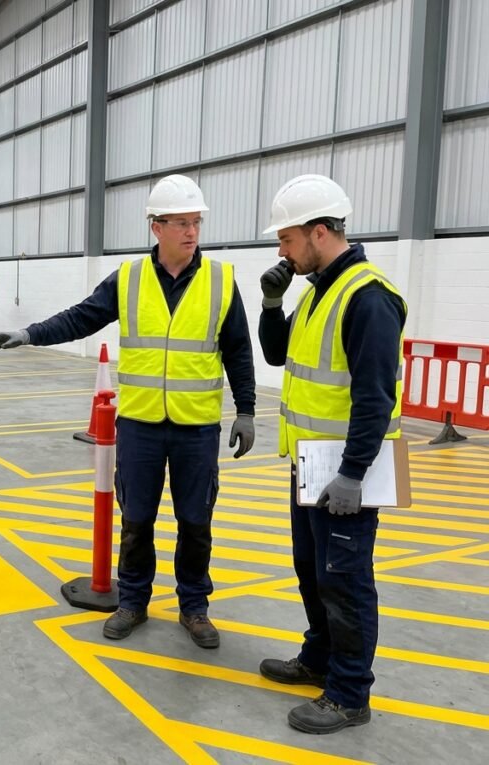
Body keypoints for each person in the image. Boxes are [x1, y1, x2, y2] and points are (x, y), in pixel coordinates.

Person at [0, 174, 256, 649]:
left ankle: (194, 608)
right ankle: (133, 601)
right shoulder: (128, 279)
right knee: (137, 521)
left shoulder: (221, 280)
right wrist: (27, 335)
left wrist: (247, 409)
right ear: (156, 227)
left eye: (196, 222)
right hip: (141, 426)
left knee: (196, 523)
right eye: (181, 223)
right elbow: (80, 317)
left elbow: (238, 350)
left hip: (196, 428)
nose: (191, 232)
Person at [256, 174, 407, 735]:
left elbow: (375, 397)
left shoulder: (368, 299)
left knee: (345, 580)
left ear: (319, 232)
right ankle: (318, 658)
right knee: (312, 571)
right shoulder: (318, 290)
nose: (281, 250)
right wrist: (272, 304)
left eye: (288, 239)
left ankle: (348, 695)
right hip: (309, 466)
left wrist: (351, 474)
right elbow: (277, 356)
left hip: (348, 472)